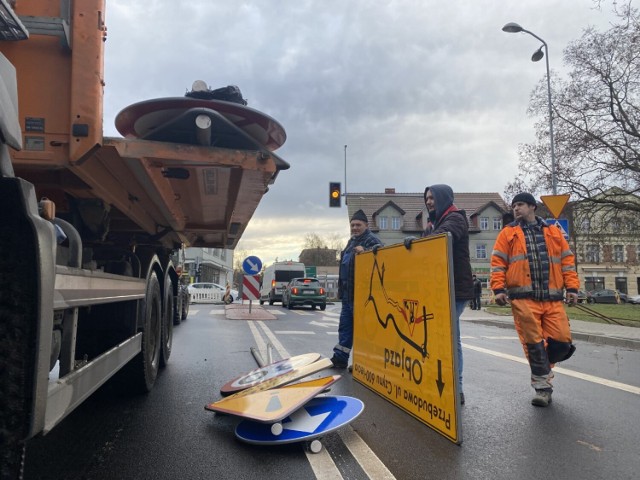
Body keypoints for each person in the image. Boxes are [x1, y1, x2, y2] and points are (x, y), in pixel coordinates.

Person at [490, 192, 579, 407]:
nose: (516, 209)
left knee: (562, 342)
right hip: (523, 298)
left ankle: (544, 370)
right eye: (514, 206)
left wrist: (573, 288)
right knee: (534, 345)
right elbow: (498, 263)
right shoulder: (508, 233)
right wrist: (498, 289)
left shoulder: (554, 233)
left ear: (532, 207)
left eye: (520, 204)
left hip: (552, 298)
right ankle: (542, 388)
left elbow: (567, 262)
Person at [404, 184, 474, 404]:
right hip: (438, 288)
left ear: (443, 198)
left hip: (454, 289)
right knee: (438, 337)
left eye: (433, 198)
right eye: (427, 198)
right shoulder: (434, 223)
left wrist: (419, 242)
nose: (429, 202)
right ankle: (438, 382)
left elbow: (442, 239)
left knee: (451, 338)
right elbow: (425, 246)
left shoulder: (455, 218)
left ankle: (456, 388)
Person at [330, 209, 383, 369]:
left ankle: (363, 363)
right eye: (352, 225)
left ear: (366, 225)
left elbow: (381, 259)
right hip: (348, 295)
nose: (354, 228)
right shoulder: (351, 242)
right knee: (345, 329)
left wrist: (366, 252)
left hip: (362, 296)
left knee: (363, 331)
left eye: (358, 225)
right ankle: (340, 359)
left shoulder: (372, 241)